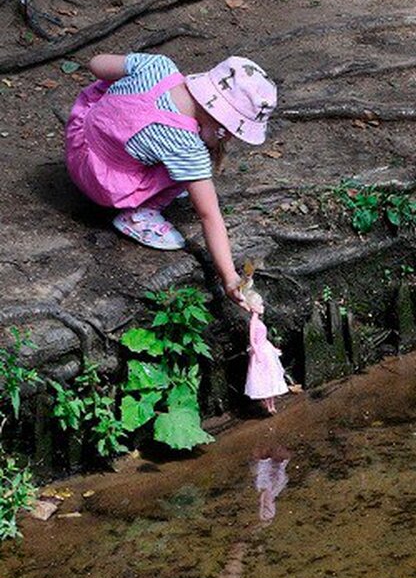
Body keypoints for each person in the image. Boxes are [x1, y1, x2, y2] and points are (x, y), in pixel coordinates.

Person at [64, 52, 276, 308]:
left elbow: (96, 63)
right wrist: (230, 277)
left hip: (81, 135)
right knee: (193, 172)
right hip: (98, 181)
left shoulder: (158, 66)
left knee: (169, 152)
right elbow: (209, 215)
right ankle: (139, 214)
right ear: (222, 121)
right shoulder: (185, 146)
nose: (228, 138)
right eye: (231, 131)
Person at [242, 282, 288, 414]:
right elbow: (252, 340)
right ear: (253, 307)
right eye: (260, 304)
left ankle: (271, 405)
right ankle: (268, 406)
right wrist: (257, 353)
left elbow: (264, 338)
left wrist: (273, 349)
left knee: (271, 376)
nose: (262, 307)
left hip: (266, 349)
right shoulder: (253, 323)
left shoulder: (259, 321)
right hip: (260, 352)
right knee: (264, 378)